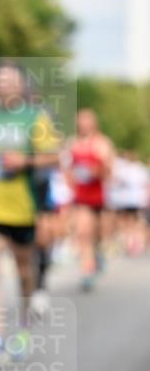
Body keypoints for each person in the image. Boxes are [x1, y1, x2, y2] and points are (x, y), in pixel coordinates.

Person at [0, 63, 60, 361]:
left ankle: (23, 328)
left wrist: (24, 162)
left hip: (23, 209)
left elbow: (54, 157)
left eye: (10, 81)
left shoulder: (35, 116)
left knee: (24, 272)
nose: (4, 85)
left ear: (21, 86)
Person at [64, 109, 114, 291]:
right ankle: (87, 270)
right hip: (80, 196)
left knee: (97, 234)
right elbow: (67, 168)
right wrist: (70, 179)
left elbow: (109, 171)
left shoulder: (102, 143)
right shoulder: (73, 143)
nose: (83, 124)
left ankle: (97, 253)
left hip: (98, 195)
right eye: (80, 121)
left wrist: (95, 171)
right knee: (83, 232)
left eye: (86, 120)